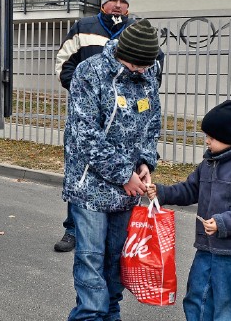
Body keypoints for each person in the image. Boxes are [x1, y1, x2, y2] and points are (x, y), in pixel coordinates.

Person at [53, 0, 164, 252]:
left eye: (123, 1)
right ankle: (72, 229)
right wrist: (82, 89)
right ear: (103, 3)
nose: (118, 4)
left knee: (115, 253)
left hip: (126, 122)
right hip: (90, 105)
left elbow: (152, 113)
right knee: (85, 179)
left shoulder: (138, 31)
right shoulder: (85, 27)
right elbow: (64, 62)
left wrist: (145, 161)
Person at [63, 18, 161, 321]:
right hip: (90, 187)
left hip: (127, 190)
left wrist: (145, 162)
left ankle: (111, 314)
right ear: (125, 55)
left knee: (117, 262)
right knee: (92, 262)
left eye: (148, 66)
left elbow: (151, 123)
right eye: (139, 66)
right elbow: (84, 135)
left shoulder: (149, 71)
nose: (145, 72)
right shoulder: (89, 72)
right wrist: (124, 174)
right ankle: (90, 316)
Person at [147, 100, 231, 321]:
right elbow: (189, 190)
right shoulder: (208, 164)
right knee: (196, 296)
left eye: (212, 136)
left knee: (229, 305)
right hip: (206, 247)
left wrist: (223, 222)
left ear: (229, 137)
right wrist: (162, 193)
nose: (207, 140)